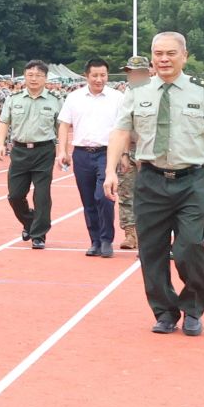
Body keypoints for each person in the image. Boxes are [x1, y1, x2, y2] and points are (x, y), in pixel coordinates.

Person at [105, 31, 204, 335]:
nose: (163, 59)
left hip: (191, 181)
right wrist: (110, 171)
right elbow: (121, 131)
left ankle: (193, 308)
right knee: (151, 251)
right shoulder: (137, 91)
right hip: (150, 180)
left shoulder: (202, 91)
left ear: (184, 56)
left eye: (170, 53)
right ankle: (164, 311)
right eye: (158, 54)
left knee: (190, 247)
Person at [56, 57, 123, 257]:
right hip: (82, 154)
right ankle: (95, 241)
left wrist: (124, 153)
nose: (99, 79)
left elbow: (124, 129)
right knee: (88, 200)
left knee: (104, 196)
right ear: (86, 76)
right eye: (95, 75)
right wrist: (62, 151)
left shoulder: (117, 98)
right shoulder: (74, 97)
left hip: (107, 153)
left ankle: (106, 239)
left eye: (103, 75)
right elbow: (64, 125)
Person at [0, 60, 61, 249]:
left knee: (42, 195)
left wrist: (63, 151)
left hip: (44, 151)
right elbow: (4, 122)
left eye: (38, 75)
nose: (34, 79)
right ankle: (29, 222)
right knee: (15, 195)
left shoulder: (55, 100)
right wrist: (0, 144)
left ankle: (39, 235)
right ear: (24, 77)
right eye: (30, 75)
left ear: (45, 78)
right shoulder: (14, 98)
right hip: (19, 151)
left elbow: (62, 127)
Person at [115, 54, 150, 250]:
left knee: (151, 196)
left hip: (152, 152)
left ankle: (148, 235)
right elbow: (122, 128)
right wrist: (124, 154)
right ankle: (130, 233)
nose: (133, 76)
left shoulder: (156, 93)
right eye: (130, 73)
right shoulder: (125, 96)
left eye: (137, 73)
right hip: (130, 148)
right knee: (126, 192)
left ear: (147, 73)